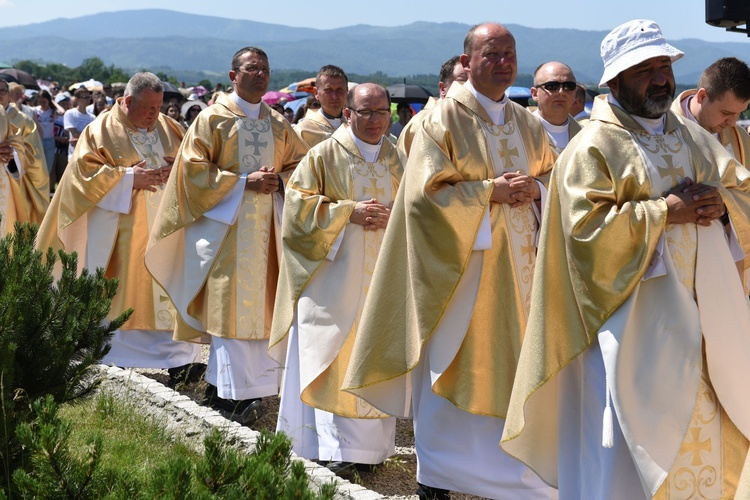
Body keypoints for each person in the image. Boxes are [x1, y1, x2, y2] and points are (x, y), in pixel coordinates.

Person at [500, 19, 750, 499]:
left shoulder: (688, 135)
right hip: (629, 324)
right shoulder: (592, 145)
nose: (660, 78)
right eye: (644, 69)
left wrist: (721, 208)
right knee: (627, 448)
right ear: (615, 80)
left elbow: (738, 189)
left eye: (664, 66)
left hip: (705, 323)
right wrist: (664, 212)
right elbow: (583, 233)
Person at [342, 23, 557, 500]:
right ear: (468, 60)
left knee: (516, 367)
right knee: (453, 362)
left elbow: (555, 179)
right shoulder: (442, 119)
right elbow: (421, 200)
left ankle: (513, 473)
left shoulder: (528, 123)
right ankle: (437, 475)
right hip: (462, 273)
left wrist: (537, 190)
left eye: (509, 53)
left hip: (522, 275)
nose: (503, 61)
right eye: (491, 53)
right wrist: (489, 193)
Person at [145, 46, 307, 426]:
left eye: (265, 69)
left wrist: (279, 180)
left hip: (267, 232)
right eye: (252, 68)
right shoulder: (212, 119)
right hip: (225, 233)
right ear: (233, 75)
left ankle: (250, 390)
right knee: (229, 311)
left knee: (263, 309)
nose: (260, 74)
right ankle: (228, 393)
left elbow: (302, 168)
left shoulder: (279, 123)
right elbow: (191, 172)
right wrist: (242, 183)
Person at [270, 83, 402, 478]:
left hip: (383, 277)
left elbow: (418, 207)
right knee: (333, 355)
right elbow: (297, 209)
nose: (376, 120)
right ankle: (335, 449)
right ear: (348, 114)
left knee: (376, 352)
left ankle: (372, 450)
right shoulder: (325, 154)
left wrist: (395, 212)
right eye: (367, 112)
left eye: (383, 112)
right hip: (333, 281)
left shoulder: (399, 157)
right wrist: (348, 214)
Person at [35, 72, 202, 384]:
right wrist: (128, 180)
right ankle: (117, 356)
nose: (155, 114)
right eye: (148, 108)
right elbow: (80, 177)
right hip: (121, 231)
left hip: (166, 230)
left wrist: (176, 168)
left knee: (168, 286)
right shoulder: (101, 130)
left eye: (159, 106)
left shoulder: (170, 127)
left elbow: (191, 163)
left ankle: (178, 359)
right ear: (126, 101)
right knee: (123, 292)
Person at [670, 56, 750, 291]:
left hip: (729, 258)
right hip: (679, 264)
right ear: (703, 96)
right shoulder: (664, 130)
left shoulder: (740, 140)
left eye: (740, 113)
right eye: (726, 112)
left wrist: (725, 204)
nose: (733, 122)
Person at [0, 79, 50, 234]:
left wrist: (12, 153)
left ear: (9, 95)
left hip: (17, 179)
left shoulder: (24, 121)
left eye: (2, 91)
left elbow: (34, 154)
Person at [398, 55, 468, 157]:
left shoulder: (481, 120)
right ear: (443, 89)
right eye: (462, 83)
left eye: (474, 84)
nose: (469, 90)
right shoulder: (420, 124)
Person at [530, 61, 581, 152]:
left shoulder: (586, 135)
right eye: (552, 86)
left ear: (575, 93)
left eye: (569, 86)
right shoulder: (521, 131)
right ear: (535, 94)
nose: (561, 92)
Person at [294, 65, 348, 148]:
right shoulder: (303, 130)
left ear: (346, 92)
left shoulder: (353, 127)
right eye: (328, 90)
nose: (334, 96)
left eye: (339, 90)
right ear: (316, 93)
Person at [63, 87, 96, 159]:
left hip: (88, 154)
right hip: (74, 154)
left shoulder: (92, 117)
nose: (88, 99)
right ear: (77, 99)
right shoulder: (70, 113)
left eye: (89, 97)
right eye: (85, 97)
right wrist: (88, 137)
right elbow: (75, 134)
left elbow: (95, 136)